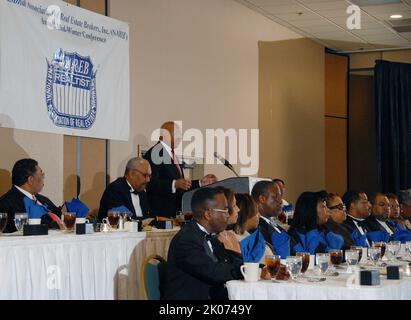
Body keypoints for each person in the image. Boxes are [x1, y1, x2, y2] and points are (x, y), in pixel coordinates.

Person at [163, 187, 243, 300]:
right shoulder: (186, 240)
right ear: (208, 214)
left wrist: (258, 268)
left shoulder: (211, 237)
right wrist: (245, 270)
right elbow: (213, 272)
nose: (227, 215)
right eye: (225, 210)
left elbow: (230, 262)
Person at [143, 121, 216, 218]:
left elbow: (181, 185)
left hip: (174, 214)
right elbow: (149, 183)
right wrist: (174, 184)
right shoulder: (155, 153)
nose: (180, 137)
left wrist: (200, 183)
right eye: (177, 133)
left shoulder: (171, 154)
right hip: (160, 214)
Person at [0, 158, 62, 233]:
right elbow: (22, 230)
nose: (43, 178)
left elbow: (61, 216)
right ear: (31, 180)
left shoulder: (42, 199)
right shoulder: (7, 203)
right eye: (42, 175)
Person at [251, 180, 290, 257]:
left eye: (280, 197)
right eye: (276, 197)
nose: (280, 201)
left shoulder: (271, 222)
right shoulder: (257, 228)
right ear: (262, 199)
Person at [234, 193, 274, 260]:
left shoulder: (252, 235)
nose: (259, 215)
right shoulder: (239, 240)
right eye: (256, 212)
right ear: (248, 214)